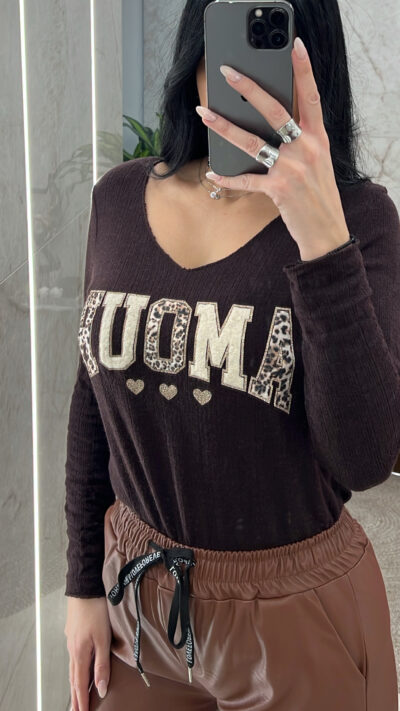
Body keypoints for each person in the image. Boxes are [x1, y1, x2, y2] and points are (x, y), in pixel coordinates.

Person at [63, 2, 400, 710]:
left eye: (268, 45)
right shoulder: (119, 200)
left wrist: (322, 241)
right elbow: (92, 402)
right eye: (226, 42)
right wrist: (83, 584)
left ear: (312, 61)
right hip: (137, 599)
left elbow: (366, 459)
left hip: (296, 615)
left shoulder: (360, 220)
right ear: (196, 48)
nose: (243, 75)